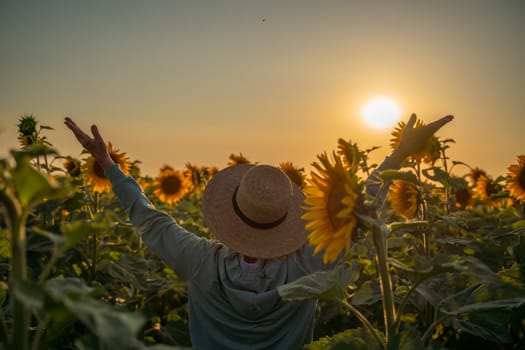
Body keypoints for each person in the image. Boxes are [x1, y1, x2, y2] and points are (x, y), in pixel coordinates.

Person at [64, 114, 453, 350]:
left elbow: (149, 220)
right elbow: (358, 212)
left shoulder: (200, 261)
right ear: (287, 218)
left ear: (231, 212)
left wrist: (110, 167)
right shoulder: (308, 265)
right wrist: (399, 154)